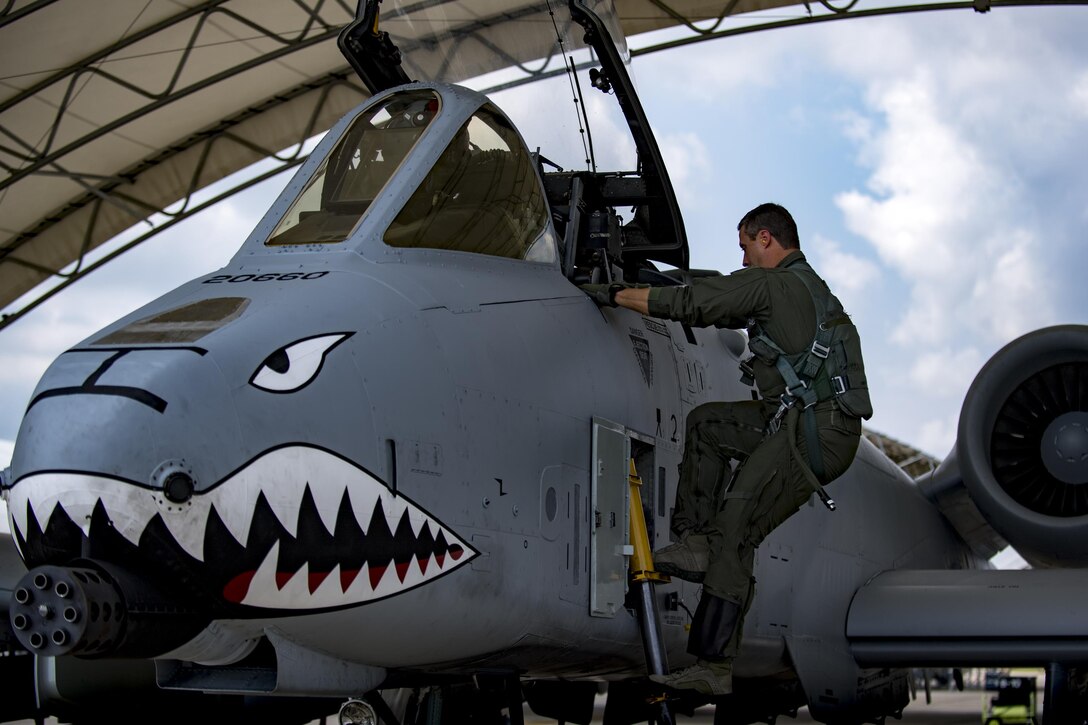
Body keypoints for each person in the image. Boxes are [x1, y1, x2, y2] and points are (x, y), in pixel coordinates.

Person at [582, 203, 872, 696]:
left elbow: (698, 304)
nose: (742, 259)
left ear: (766, 239)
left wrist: (614, 294)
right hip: (801, 420)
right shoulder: (806, 288)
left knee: (737, 527)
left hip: (814, 434)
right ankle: (695, 541)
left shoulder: (775, 285)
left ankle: (714, 665)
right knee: (709, 424)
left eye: (744, 248)